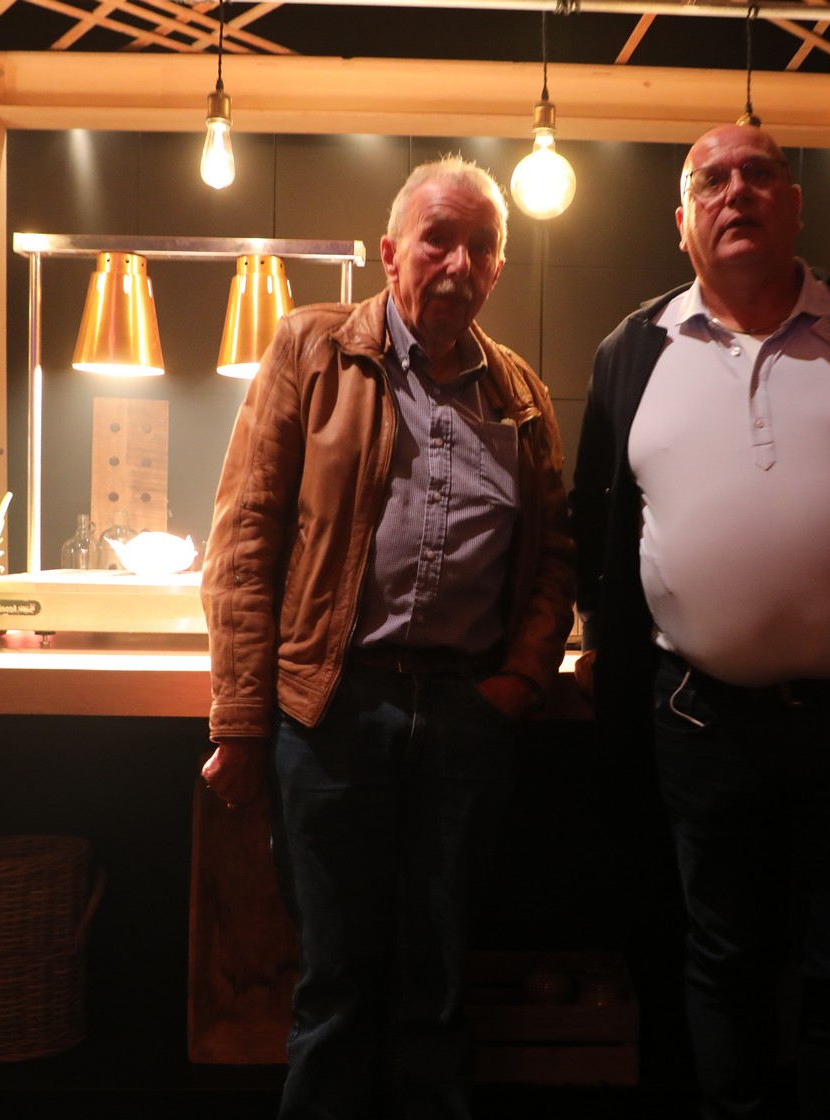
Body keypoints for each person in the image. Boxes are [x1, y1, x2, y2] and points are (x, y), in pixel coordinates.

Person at [569, 123, 830, 1117]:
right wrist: (602, 635)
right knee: (723, 963)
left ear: (796, 205)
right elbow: (593, 514)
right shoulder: (633, 351)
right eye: (711, 181)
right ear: (681, 220)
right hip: (700, 724)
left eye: (758, 173)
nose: (736, 192)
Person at [200, 156, 575, 1119]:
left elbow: (553, 560)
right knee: (335, 982)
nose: (458, 263)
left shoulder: (522, 395)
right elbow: (245, 535)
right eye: (437, 239)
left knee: (438, 985)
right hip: (333, 707)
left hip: (467, 714)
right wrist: (239, 719)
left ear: (498, 270)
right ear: (390, 252)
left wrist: (519, 683)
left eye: (480, 247)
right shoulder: (312, 348)